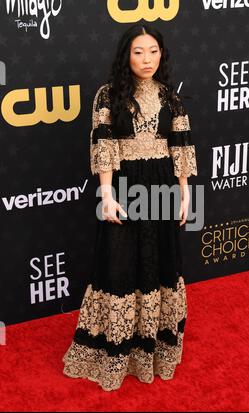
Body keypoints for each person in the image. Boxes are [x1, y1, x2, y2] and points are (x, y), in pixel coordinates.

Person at [62, 23, 198, 391]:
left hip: (163, 187)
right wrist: (106, 194)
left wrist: (186, 194)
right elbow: (103, 146)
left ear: (161, 54)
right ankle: (116, 353)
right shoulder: (108, 96)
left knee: (159, 262)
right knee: (120, 265)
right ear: (126, 55)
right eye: (138, 51)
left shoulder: (172, 97)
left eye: (153, 51)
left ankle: (153, 351)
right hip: (124, 187)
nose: (147, 59)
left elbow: (181, 148)